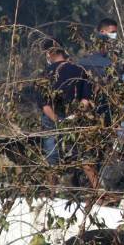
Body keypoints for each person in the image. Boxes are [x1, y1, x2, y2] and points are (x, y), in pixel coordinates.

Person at [39, 39, 93, 170]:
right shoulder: (79, 70)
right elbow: (86, 99)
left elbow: (44, 105)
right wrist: (75, 116)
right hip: (76, 120)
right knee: (84, 156)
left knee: (52, 160)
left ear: (48, 53)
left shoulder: (45, 74)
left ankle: (53, 190)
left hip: (52, 121)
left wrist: (58, 121)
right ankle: (98, 189)